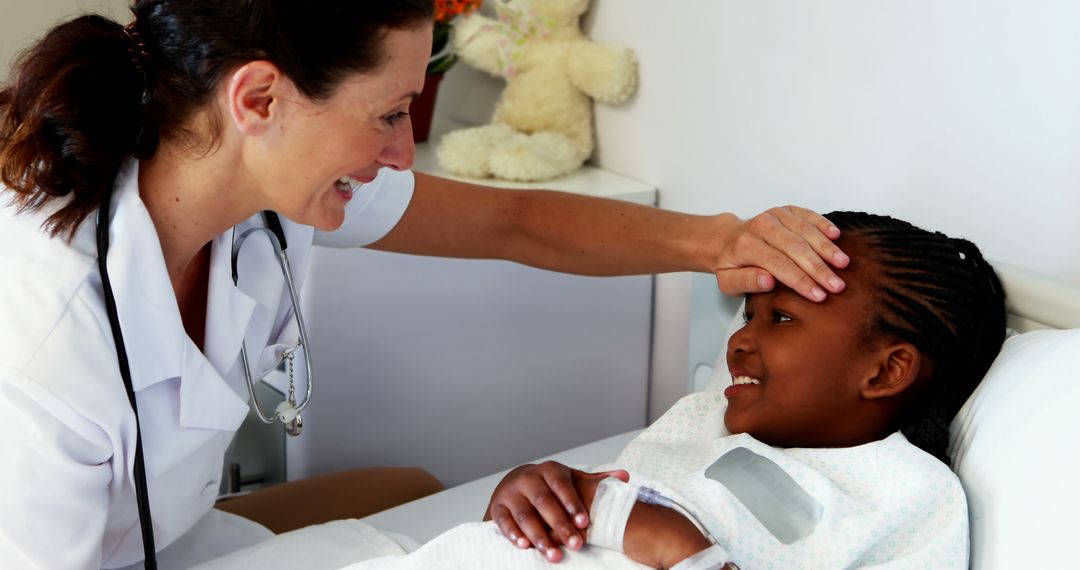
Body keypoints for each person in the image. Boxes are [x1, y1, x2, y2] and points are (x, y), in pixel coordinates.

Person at [0, 1, 849, 568]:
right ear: (259, 97)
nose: (404, 152)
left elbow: (509, 224)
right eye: (389, 112)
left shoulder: (252, 177)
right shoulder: (45, 353)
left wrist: (720, 242)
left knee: (404, 488)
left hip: (175, 533)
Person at [479, 211, 1006, 569]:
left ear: (886, 371)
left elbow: (638, 530)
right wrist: (528, 501)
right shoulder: (699, 418)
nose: (739, 340)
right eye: (749, 314)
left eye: (780, 318)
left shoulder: (909, 496)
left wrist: (679, 548)